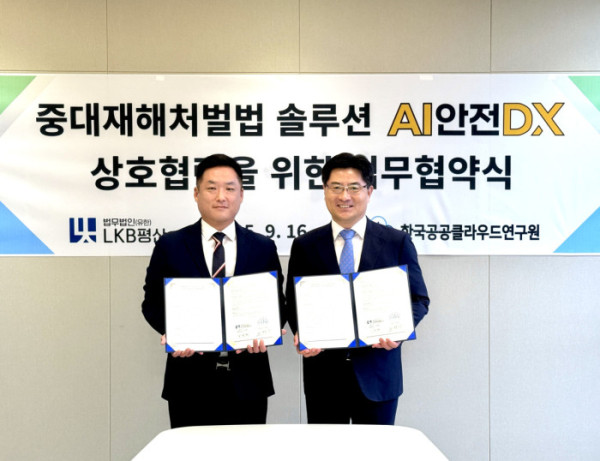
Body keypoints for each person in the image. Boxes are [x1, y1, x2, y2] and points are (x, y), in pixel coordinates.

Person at [142, 153, 285, 428]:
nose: (221, 196)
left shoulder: (262, 247)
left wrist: (269, 331)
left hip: (249, 380)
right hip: (188, 379)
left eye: (230, 188)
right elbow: (152, 303)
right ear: (196, 193)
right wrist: (174, 333)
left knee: (247, 450)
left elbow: (277, 303)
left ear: (241, 195)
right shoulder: (171, 245)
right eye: (211, 188)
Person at [285, 152, 429, 425]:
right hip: (323, 377)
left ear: (369, 191)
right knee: (326, 448)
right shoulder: (305, 245)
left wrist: (399, 330)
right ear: (324, 190)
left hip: (378, 375)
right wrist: (302, 332)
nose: (344, 196)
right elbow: (293, 301)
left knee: (377, 448)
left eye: (353, 187)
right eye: (336, 187)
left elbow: (419, 298)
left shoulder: (396, 242)